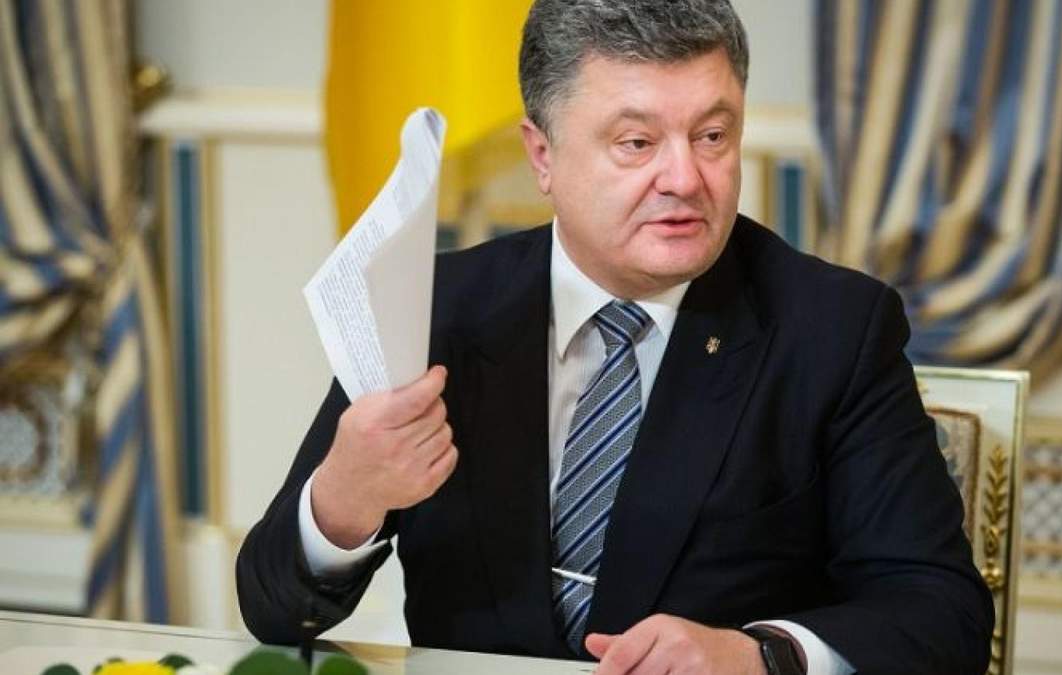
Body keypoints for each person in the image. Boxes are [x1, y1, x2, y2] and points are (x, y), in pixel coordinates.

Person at [236, 1, 994, 673]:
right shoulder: (437, 310)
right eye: (637, 143)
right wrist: (344, 502)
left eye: (713, 135)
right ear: (543, 155)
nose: (685, 178)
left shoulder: (833, 328)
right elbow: (272, 610)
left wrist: (760, 655)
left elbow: (942, 613)